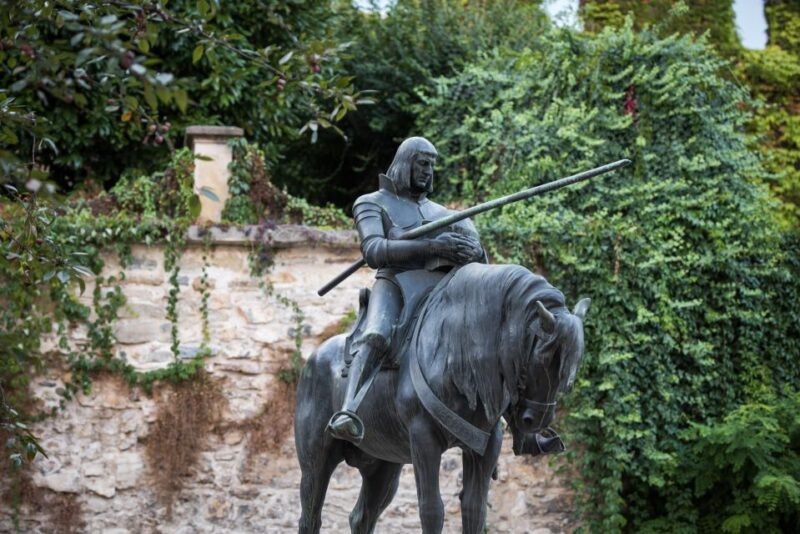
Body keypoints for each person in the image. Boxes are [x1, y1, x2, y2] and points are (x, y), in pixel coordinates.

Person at [327, 137, 485, 443]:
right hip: (396, 283)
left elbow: (478, 257)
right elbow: (373, 250)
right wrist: (431, 246)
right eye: (422, 163)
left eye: (432, 165)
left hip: (440, 290)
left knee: (486, 338)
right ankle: (349, 410)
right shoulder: (372, 202)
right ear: (405, 163)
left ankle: (512, 422)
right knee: (376, 334)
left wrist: (472, 248)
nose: (428, 171)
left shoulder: (444, 213)